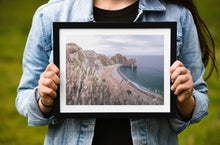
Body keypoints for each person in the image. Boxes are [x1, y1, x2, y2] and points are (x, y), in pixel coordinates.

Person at [16, 0, 217, 145]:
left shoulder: (178, 14)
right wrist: (45, 101)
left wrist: (184, 100)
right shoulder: (50, 14)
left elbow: (199, 99)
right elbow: (24, 96)